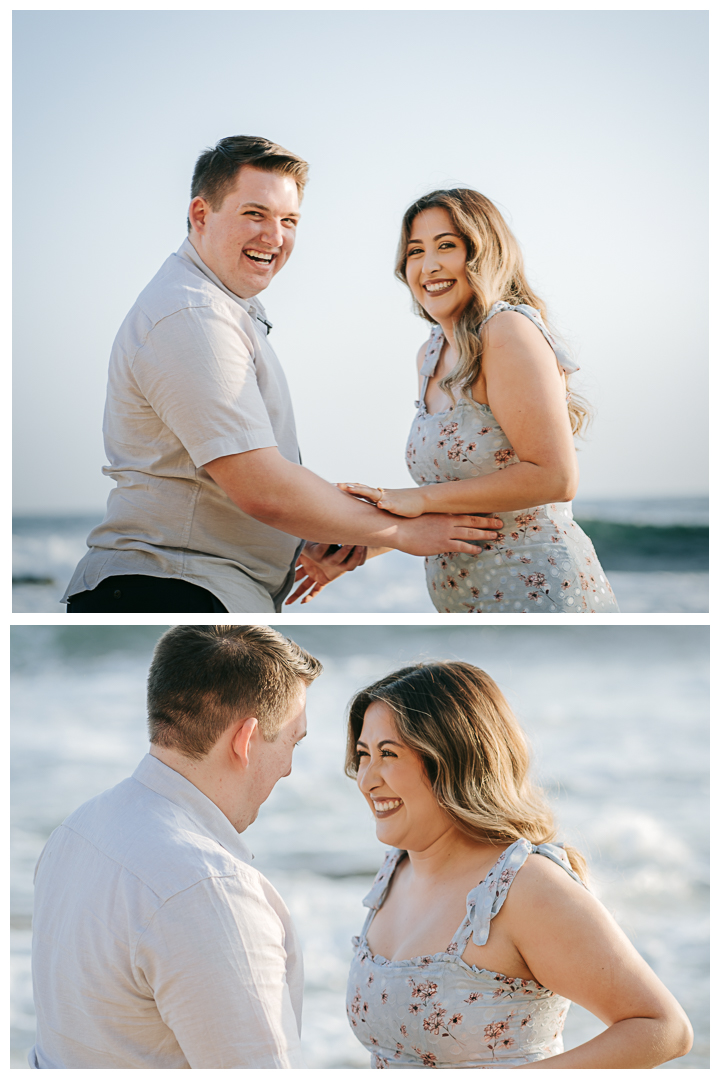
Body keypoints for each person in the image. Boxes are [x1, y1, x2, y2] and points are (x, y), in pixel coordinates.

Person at [62, 139, 502, 613]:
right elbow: (262, 487)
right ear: (200, 214)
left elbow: (253, 486)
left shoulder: (222, 307)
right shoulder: (192, 315)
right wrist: (403, 531)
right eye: (256, 213)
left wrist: (324, 537)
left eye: (288, 220)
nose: (275, 236)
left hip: (193, 584)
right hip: (170, 586)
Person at [344, 661, 693, 1069]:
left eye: (389, 754)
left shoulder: (524, 887)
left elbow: (663, 1028)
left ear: (454, 757)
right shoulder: (395, 870)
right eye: (364, 754)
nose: (367, 778)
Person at [29, 624, 322, 1068]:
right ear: (244, 740)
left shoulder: (77, 829)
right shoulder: (208, 891)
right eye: (291, 742)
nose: (289, 768)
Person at [334, 189, 620, 613]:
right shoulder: (430, 353)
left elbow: (555, 477)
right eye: (416, 251)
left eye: (446, 245)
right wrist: (367, 544)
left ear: (483, 253)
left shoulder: (505, 331)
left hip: (541, 595)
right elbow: (464, 507)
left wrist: (416, 500)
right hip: (467, 603)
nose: (429, 265)